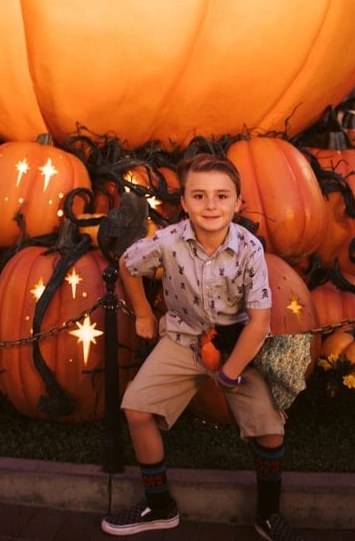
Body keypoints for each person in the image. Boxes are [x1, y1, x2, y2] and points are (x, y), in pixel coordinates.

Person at [101, 152, 305, 541]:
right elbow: (129, 263)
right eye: (199, 196)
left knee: (271, 429)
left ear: (237, 202)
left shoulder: (249, 249)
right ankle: (159, 507)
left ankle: (267, 514)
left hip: (234, 344)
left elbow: (259, 321)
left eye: (221, 196)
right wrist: (143, 314)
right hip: (183, 337)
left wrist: (229, 372)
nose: (211, 205)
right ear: (185, 203)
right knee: (137, 408)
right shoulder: (168, 240)